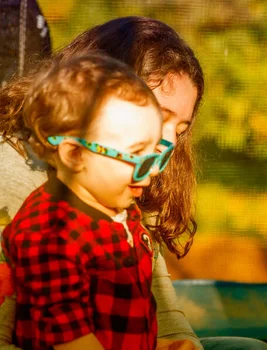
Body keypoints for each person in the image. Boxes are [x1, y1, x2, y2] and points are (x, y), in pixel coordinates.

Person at [0, 16, 267, 350]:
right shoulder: (23, 188)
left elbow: (162, 314)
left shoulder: (127, 187)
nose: (170, 140)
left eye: (182, 128)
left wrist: (179, 345)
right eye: (159, 116)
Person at [3, 54, 164, 349]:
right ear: (75, 155)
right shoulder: (49, 235)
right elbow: (73, 342)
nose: (153, 170)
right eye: (139, 155)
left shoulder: (117, 206)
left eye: (157, 153)